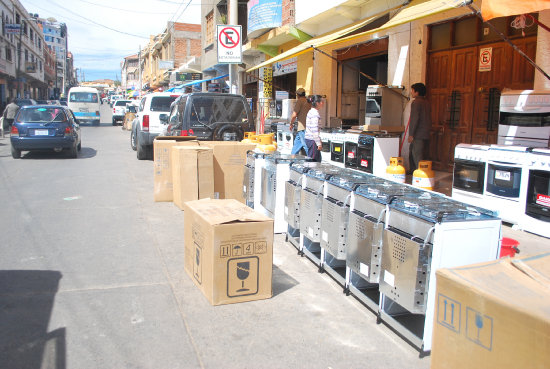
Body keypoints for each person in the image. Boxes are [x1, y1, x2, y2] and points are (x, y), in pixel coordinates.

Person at [407, 83, 431, 172]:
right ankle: (413, 171)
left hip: (418, 133)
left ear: (417, 92)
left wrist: (411, 134)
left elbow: (414, 119)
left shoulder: (416, 102)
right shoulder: (426, 102)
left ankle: (420, 174)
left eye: (412, 90)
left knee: (417, 155)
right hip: (425, 133)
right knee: (412, 152)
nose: (411, 92)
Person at [289, 88, 311, 155]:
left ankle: (312, 161)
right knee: (296, 145)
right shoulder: (308, 101)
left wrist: (291, 123)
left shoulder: (300, 101)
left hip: (302, 128)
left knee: (306, 146)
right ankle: (292, 160)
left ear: (298, 95)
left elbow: (294, 114)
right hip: (307, 127)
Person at [304, 95, 325, 162]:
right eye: (322, 101)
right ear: (317, 103)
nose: (323, 103)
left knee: (317, 160)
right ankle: (307, 172)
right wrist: (318, 143)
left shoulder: (311, 112)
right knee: (312, 161)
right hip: (312, 140)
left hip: (311, 139)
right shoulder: (314, 113)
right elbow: (314, 129)